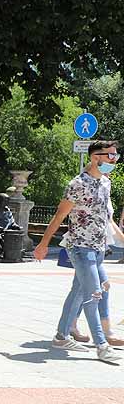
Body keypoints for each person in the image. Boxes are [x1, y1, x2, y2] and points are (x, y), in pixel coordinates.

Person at [34, 139, 123, 364]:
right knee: (94, 293)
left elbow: (107, 218)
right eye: (110, 156)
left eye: (116, 156)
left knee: (80, 292)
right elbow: (59, 216)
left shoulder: (105, 183)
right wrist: (43, 244)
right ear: (96, 157)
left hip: (99, 249)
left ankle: (61, 336)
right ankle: (102, 345)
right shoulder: (77, 183)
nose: (114, 160)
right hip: (80, 248)